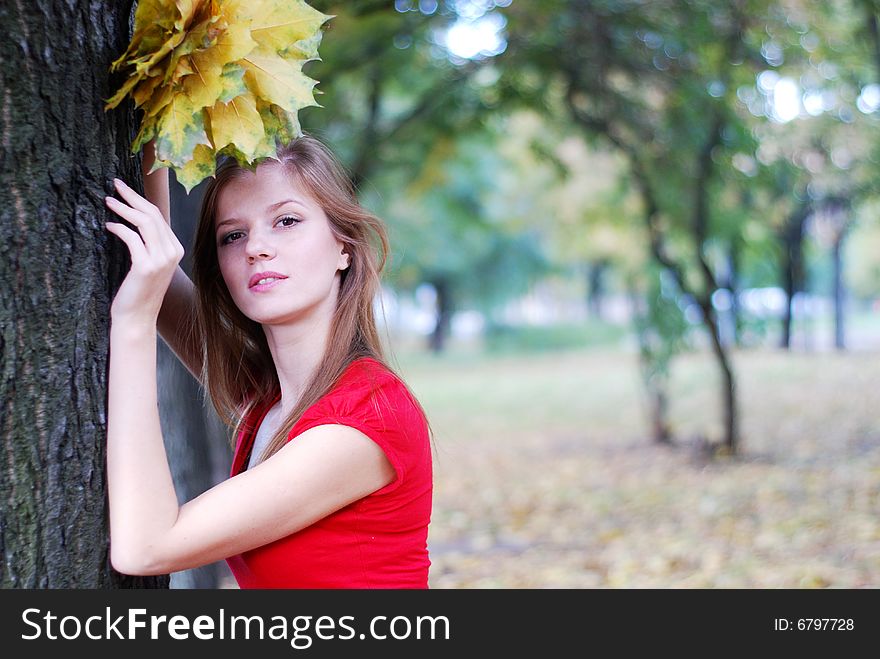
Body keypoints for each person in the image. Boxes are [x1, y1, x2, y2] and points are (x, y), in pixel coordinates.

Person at [103, 135, 433, 588]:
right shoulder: (268, 397)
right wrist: (156, 130)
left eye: (287, 220)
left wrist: (130, 323)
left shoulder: (366, 420)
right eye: (233, 235)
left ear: (345, 247)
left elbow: (145, 547)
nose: (256, 247)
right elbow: (158, 284)